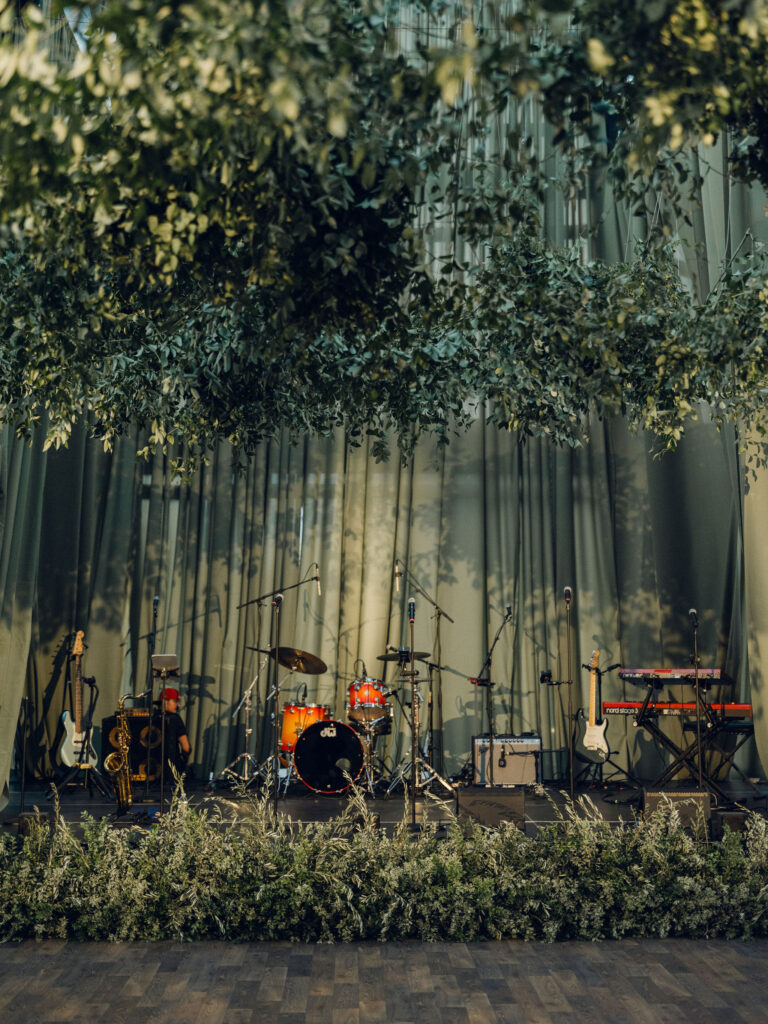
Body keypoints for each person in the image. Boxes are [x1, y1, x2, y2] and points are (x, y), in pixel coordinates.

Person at [154, 686, 191, 775]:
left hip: (151, 770)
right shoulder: (175, 719)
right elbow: (186, 748)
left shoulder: (151, 718)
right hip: (170, 771)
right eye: (175, 701)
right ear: (165, 701)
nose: (178, 705)